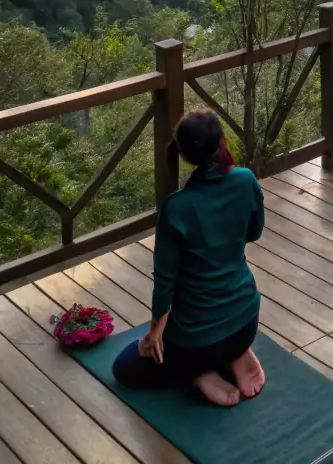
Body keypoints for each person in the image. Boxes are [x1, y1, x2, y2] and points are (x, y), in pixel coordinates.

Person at [112, 108, 266, 406]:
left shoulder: (177, 207)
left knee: (125, 366)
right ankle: (236, 353)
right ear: (222, 141)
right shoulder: (246, 180)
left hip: (197, 341)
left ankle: (199, 374)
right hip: (247, 320)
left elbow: (165, 283)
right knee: (222, 336)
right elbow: (253, 232)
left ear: (184, 155)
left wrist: (154, 333)